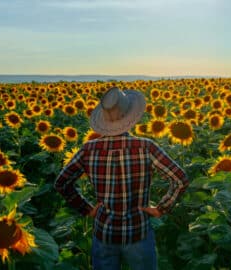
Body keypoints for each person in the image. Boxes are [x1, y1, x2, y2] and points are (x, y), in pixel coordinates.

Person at [54, 87, 189, 270]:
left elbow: (62, 183)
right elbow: (180, 179)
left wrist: (86, 208)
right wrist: (161, 208)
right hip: (138, 232)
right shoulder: (146, 147)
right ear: (131, 117)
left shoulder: (89, 149)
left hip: (104, 233)